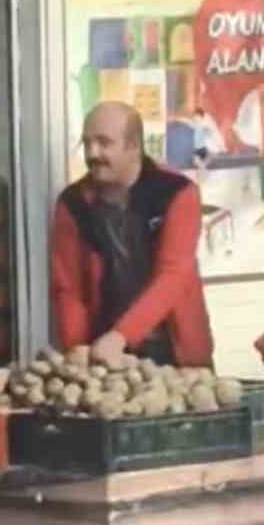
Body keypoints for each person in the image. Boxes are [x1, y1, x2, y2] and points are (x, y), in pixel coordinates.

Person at [51, 100, 213, 370]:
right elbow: (68, 288)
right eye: (87, 143)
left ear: (134, 145)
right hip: (101, 355)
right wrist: (76, 349)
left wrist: (121, 336)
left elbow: (173, 275)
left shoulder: (177, 192)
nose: (92, 153)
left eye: (104, 143)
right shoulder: (72, 203)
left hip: (177, 354)